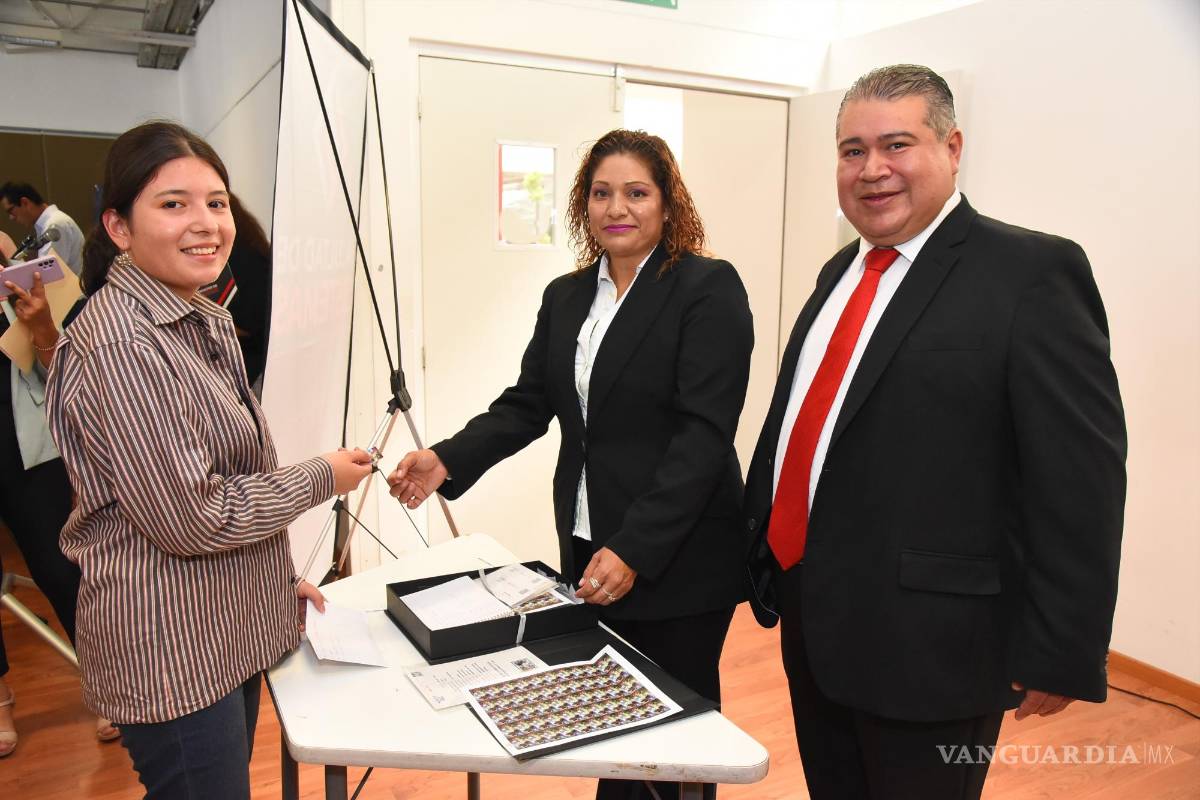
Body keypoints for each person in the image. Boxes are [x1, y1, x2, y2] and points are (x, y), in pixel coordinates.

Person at [742, 64, 1126, 800]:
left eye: (897, 144)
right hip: (816, 618)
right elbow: (803, 423)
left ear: (952, 148)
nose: (872, 169)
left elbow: (1081, 478)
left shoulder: (1032, 273)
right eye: (852, 150)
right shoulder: (839, 272)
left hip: (937, 646)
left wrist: (1062, 645)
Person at [388, 129, 754, 800]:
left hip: (677, 552)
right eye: (601, 193)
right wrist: (446, 458)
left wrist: (636, 547)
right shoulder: (567, 295)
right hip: (589, 541)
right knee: (613, 720)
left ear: (667, 203)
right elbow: (529, 403)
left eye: (636, 192)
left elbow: (703, 437)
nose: (617, 208)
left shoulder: (706, 288)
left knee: (677, 737)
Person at [44, 120, 374, 798]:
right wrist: (321, 476)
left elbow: (225, 476)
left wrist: (269, 585)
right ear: (118, 226)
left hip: (219, 628)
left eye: (217, 202)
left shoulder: (200, 315)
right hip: (171, 650)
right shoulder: (122, 344)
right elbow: (193, 517)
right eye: (174, 204)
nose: (206, 223)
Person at [0, 219, 119, 755]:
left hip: (25, 446)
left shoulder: (16, 280)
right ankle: (0, 699)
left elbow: (68, 376)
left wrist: (32, 313)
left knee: (58, 566)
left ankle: (104, 682)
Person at [0, 182, 86, 273]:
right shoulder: (48, 224)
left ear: (25, 202)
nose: (11, 217)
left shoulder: (55, 225)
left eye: (11, 210)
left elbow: (49, 274)